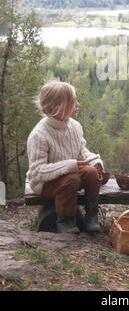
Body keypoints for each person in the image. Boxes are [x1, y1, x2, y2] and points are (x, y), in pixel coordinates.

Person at [26, 81, 108, 234]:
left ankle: (91, 215)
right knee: (72, 179)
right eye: (73, 101)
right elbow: (37, 171)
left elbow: (81, 150)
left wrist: (94, 160)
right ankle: (65, 220)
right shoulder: (39, 134)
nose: (77, 104)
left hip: (71, 175)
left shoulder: (75, 126)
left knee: (91, 172)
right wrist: (68, 166)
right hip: (45, 183)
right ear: (59, 108)